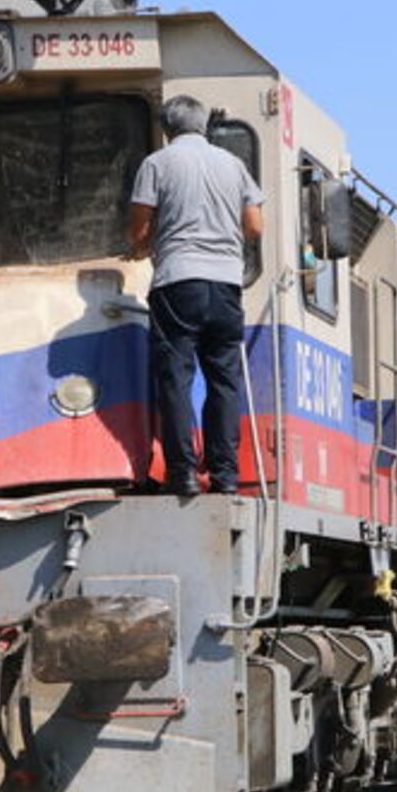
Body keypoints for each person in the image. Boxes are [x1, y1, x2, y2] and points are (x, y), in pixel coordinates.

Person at [127, 95, 264, 495]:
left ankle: (183, 473)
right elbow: (255, 226)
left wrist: (142, 247)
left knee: (176, 380)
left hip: (177, 282)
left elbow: (139, 231)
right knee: (224, 381)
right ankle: (226, 476)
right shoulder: (234, 165)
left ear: (167, 129)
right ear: (204, 126)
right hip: (225, 285)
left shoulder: (156, 164)